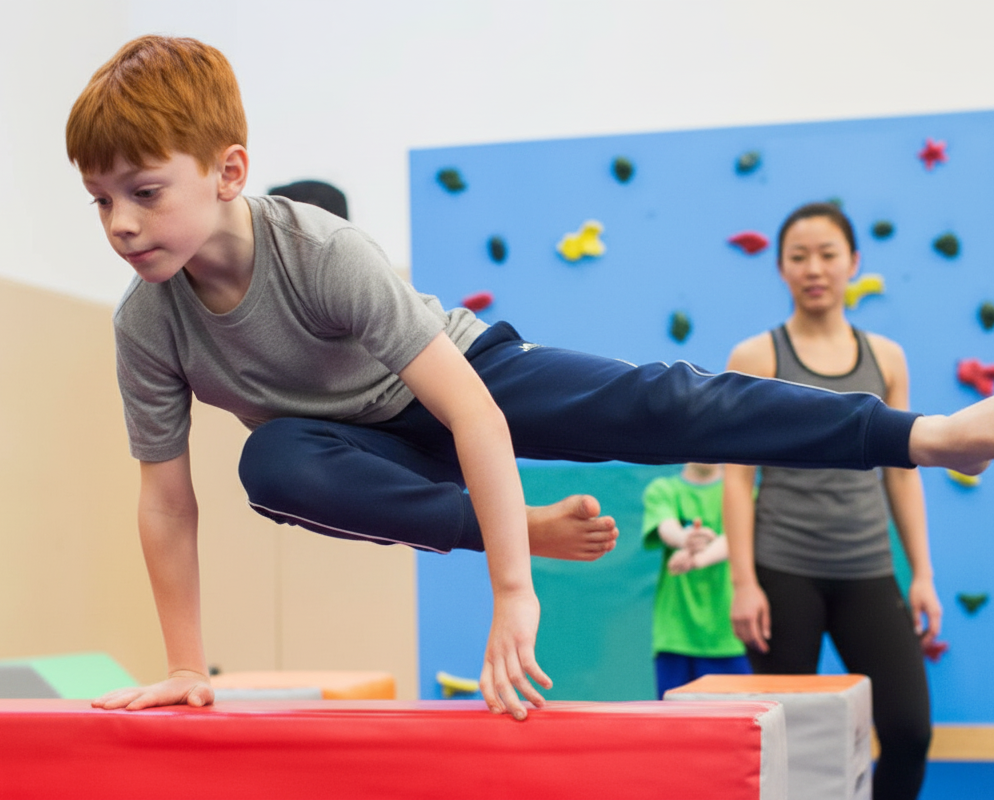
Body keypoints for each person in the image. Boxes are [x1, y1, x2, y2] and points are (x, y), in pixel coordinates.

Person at [66, 36, 994, 724]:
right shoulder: (148, 326)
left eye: (144, 192)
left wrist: (515, 591)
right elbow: (165, 504)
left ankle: (926, 434)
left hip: (467, 378)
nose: (120, 224)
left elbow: (470, 410)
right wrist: (187, 666)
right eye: (101, 199)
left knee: (663, 403)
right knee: (270, 464)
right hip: (363, 447)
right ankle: (526, 527)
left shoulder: (322, 254)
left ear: (230, 172)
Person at [723, 202, 938, 800]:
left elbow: (902, 474)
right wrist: (744, 581)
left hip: (867, 567)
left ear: (853, 264)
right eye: (799, 257)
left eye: (827, 255)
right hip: (782, 570)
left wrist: (921, 573)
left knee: (908, 729)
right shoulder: (756, 358)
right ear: (782, 268)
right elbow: (737, 479)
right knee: (784, 742)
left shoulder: (886, 358)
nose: (813, 268)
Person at [641, 463, 750, 698]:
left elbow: (736, 539)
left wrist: (699, 557)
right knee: (675, 726)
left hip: (728, 636)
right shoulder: (663, 490)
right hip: (676, 636)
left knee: (734, 724)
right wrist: (686, 538)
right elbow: (666, 527)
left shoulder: (744, 491)